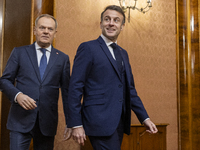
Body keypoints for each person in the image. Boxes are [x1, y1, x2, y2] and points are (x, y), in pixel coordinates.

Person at [66, 5, 158, 150]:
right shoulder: (88, 48)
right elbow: (75, 87)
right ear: (100, 23)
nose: (111, 23)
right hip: (97, 120)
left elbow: (130, 90)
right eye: (107, 19)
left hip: (119, 122)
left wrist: (144, 118)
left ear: (122, 26)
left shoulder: (123, 53)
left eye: (116, 20)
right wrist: (76, 123)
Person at [0, 14, 71, 150]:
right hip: (20, 120)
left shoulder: (62, 58)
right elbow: (4, 80)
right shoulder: (19, 52)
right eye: (42, 28)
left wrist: (70, 121)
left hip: (47, 123)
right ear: (35, 30)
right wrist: (18, 95)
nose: (46, 31)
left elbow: (67, 92)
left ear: (55, 33)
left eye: (50, 29)